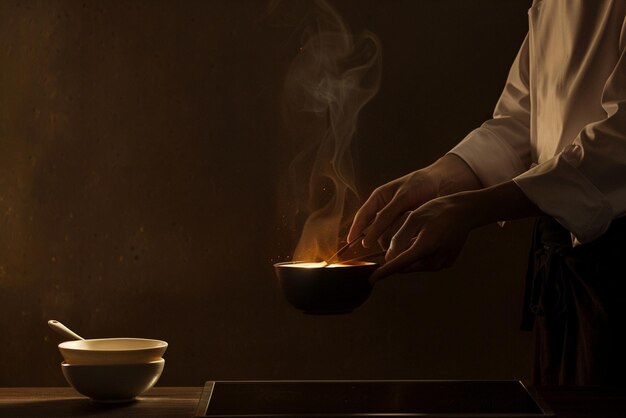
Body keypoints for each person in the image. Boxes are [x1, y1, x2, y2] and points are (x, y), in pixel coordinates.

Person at [348, 0, 626, 386]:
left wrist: (470, 209)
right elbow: (521, 117)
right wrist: (437, 178)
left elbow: (618, 148)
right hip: (566, 272)